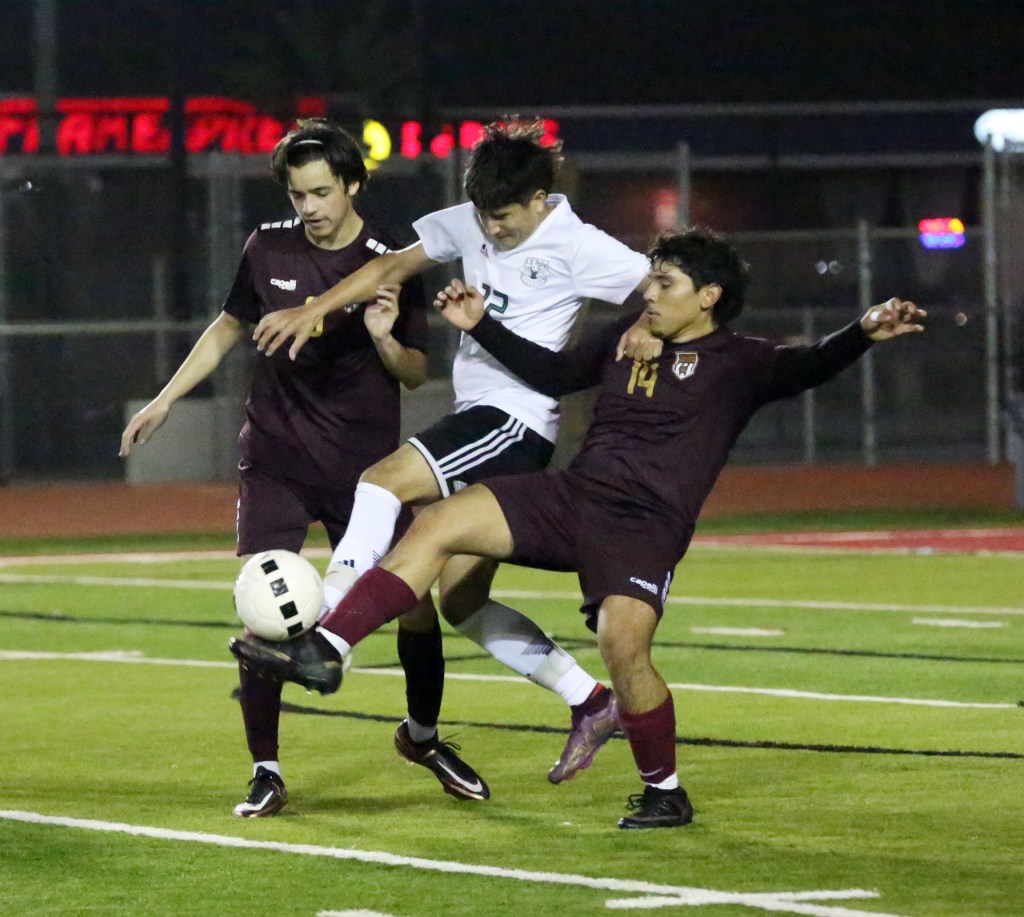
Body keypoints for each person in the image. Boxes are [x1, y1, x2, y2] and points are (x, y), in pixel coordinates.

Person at [230, 227, 927, 829]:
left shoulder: (741, 361)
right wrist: (482, 327)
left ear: (708, 296)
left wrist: (863, 331)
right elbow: (558, 373)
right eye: (651, 279)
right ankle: (326, 648)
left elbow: (809, 365)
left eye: (665, 281)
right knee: (437, 521)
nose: (648, 292)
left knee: (623, 643)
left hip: (644, 527)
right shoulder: (626, 340)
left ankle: (665, 791)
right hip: (574, 495)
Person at [239, 119, 661, 784]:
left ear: (539, 199)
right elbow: (388, 265)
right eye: (483, 216)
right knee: (459, 600)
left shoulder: (579, 244)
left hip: (514, 421)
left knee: (380, 482)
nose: (490, 230)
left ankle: (328, 628)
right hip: (481, 419)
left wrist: (643, 324)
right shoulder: (469, 219)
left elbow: (660, 285)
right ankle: (591, 699)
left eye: (504, 218)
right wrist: (311, 308)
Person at [120, 118, 482, 817]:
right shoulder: (267, 245)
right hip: (277, 459)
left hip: (368, 472)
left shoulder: (389, 263)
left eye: (321, 192)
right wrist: (168, 397)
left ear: (352, 185)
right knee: (266, 606)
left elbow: (413, 372)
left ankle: (424, 737)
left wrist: (381, 338)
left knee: (415, 608)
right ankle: (266, 767)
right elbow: (229, 324)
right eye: (298, 193)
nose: (308, 207)